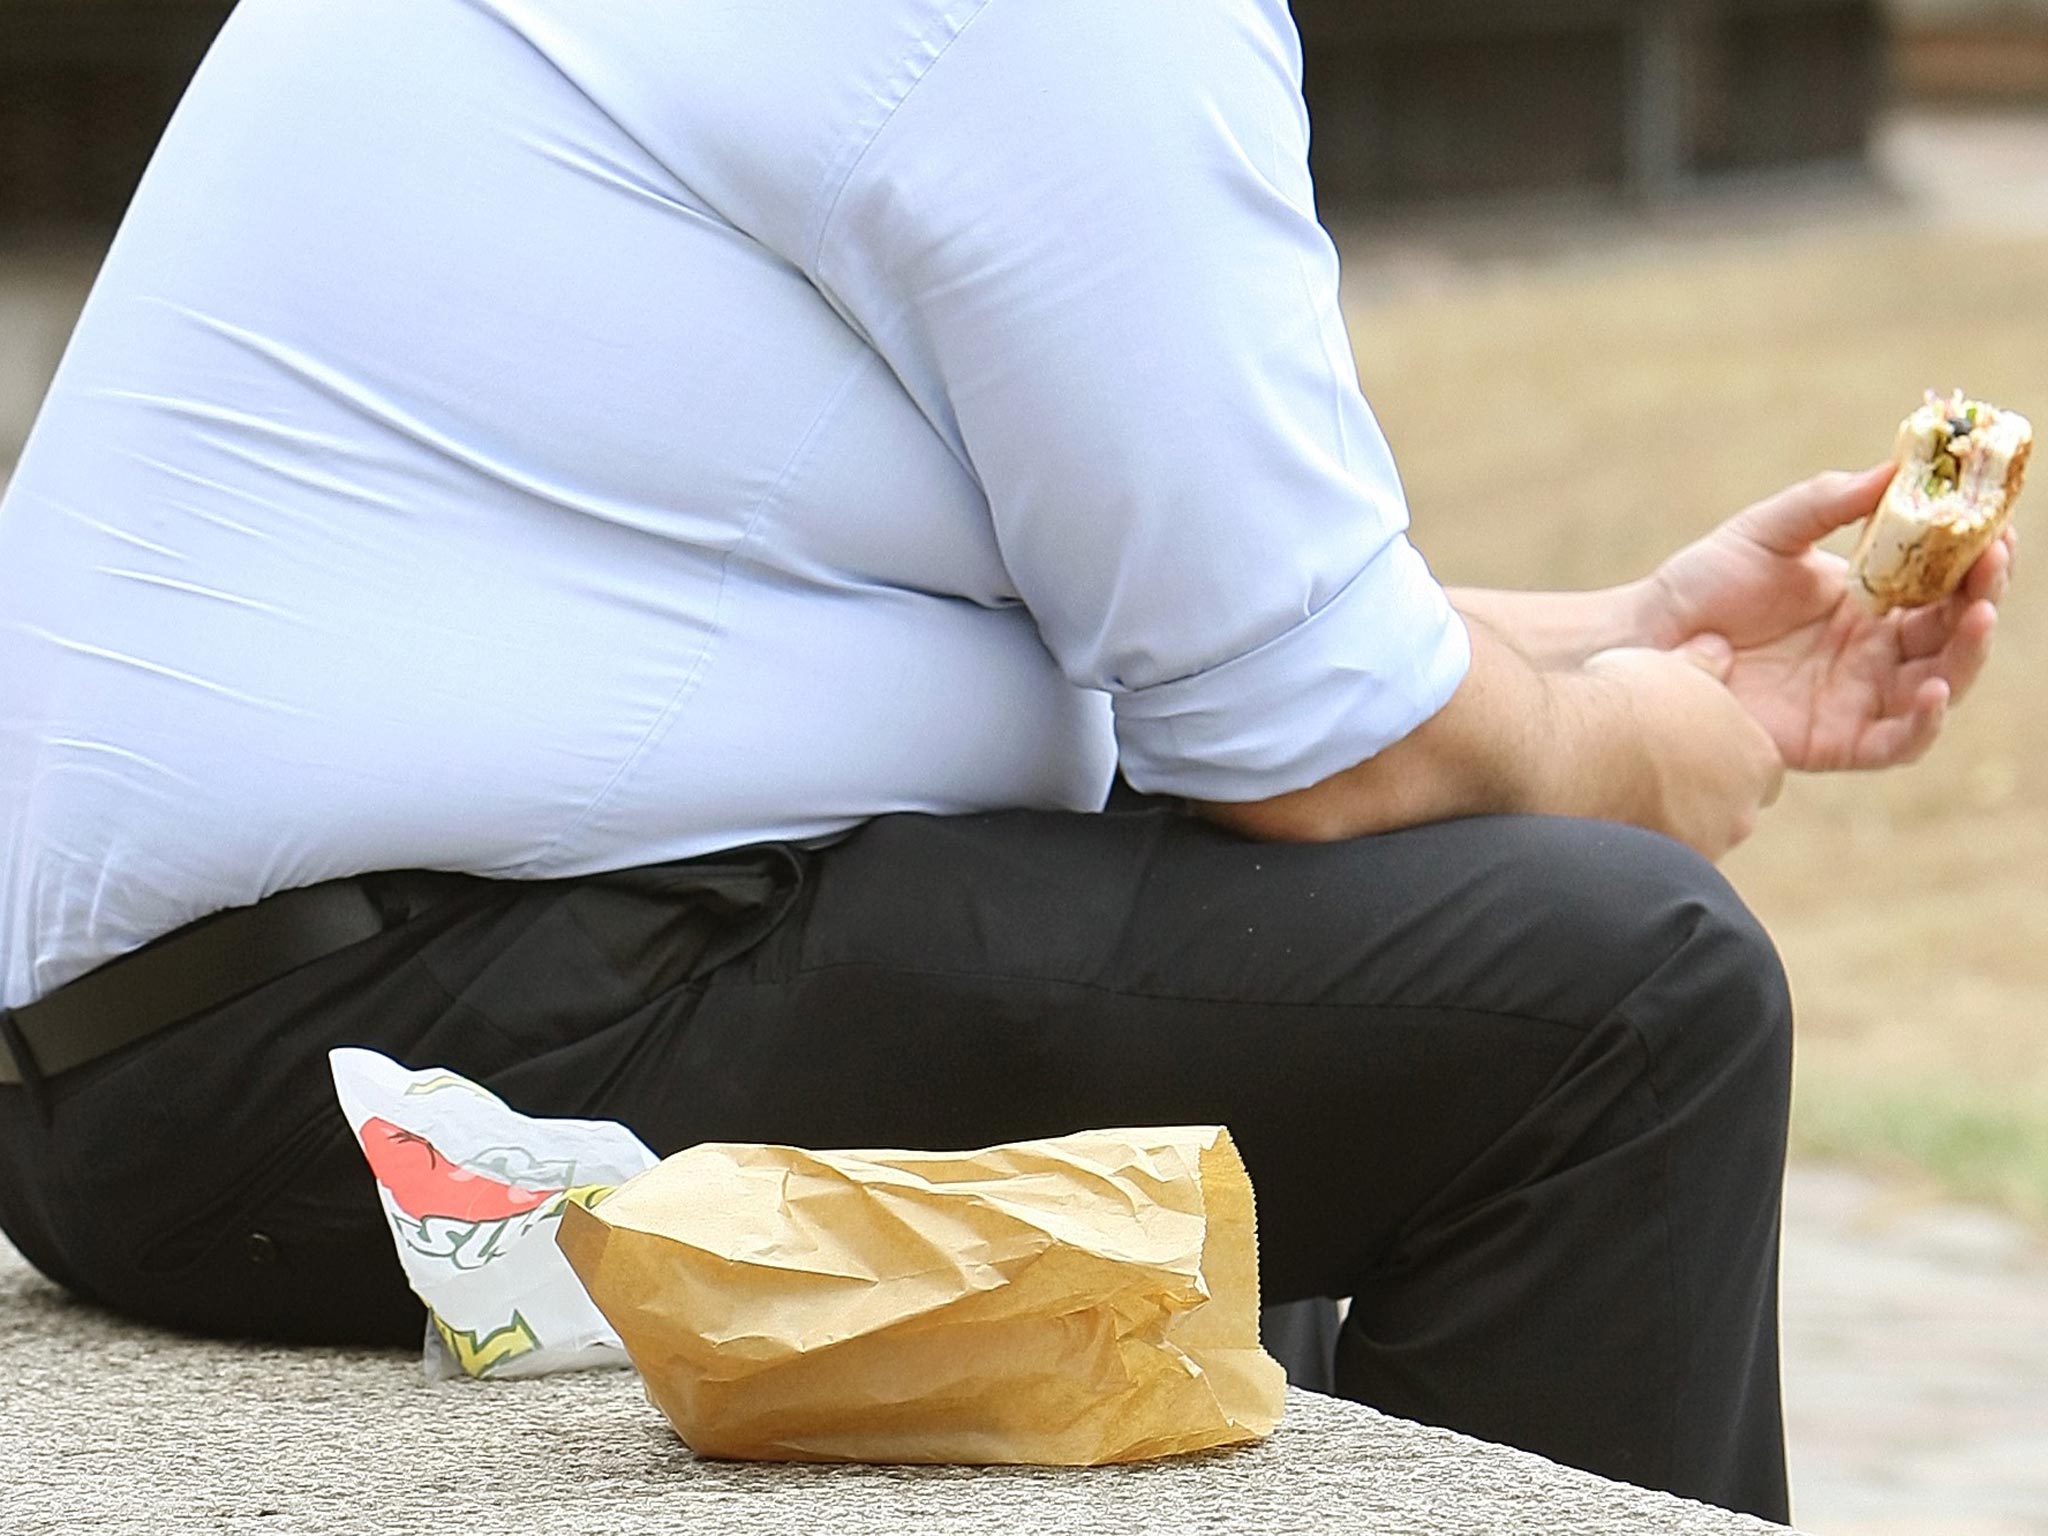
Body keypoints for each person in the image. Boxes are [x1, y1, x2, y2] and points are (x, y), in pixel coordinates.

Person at [0, 0, 2012, 1522]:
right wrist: (1623, 755)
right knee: (1613, 989)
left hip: (196, 1046)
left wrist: (1612, 640)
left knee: (1350, 975)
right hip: (375, 1073)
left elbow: (1204, 627)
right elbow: (1310, 744)